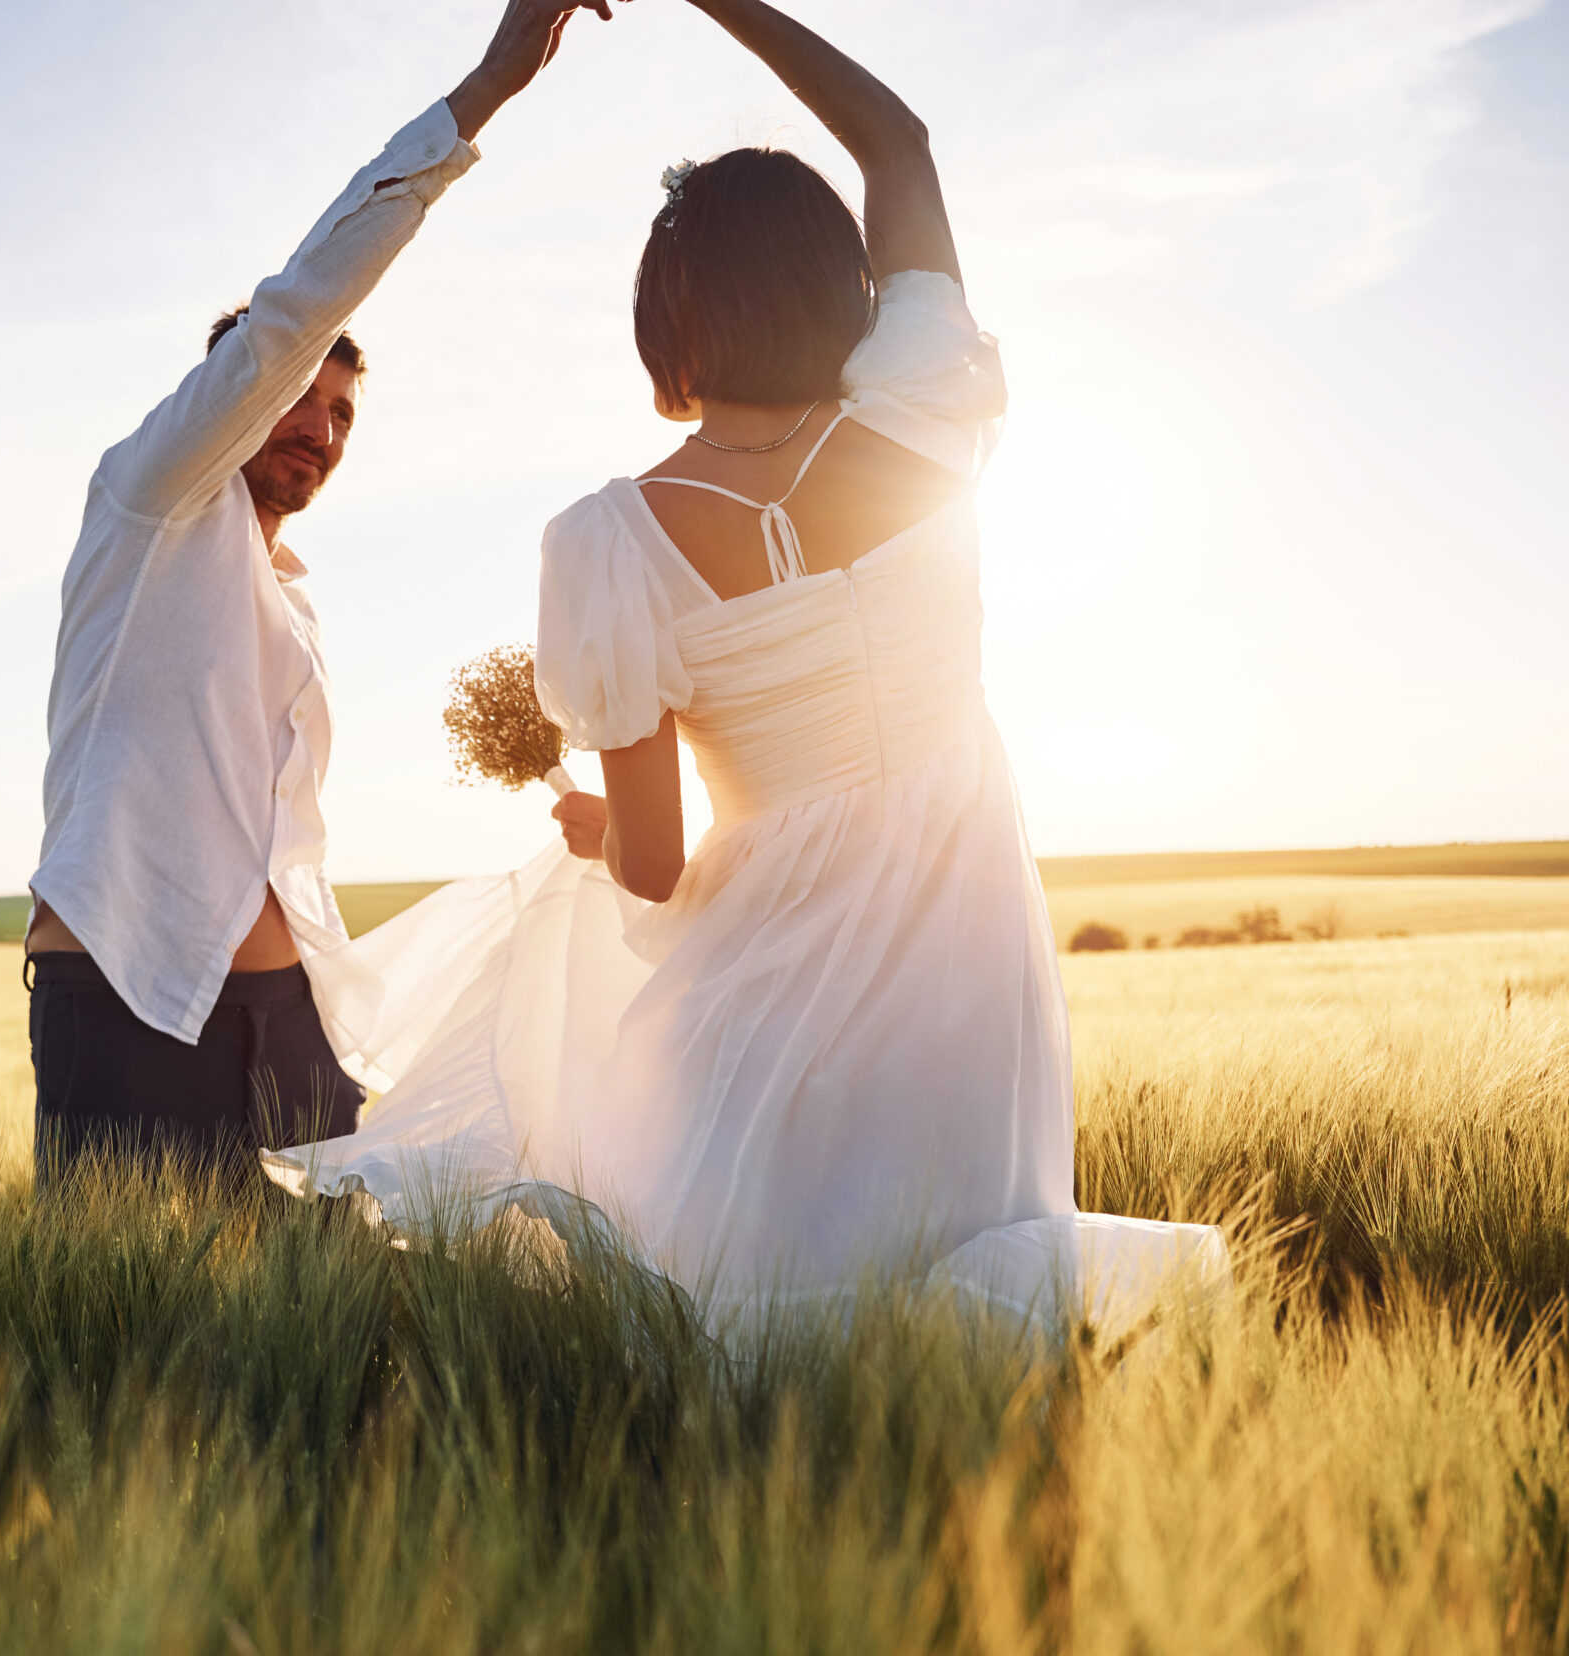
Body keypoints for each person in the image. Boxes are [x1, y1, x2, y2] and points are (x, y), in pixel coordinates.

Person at [271, 0, 1224, 1329]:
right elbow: (897, 144)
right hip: (970, 950)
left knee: (769, 1315)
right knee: (972, 1288)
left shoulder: (607, 542)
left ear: (671, 321)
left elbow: (657, 863)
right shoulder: (927, 418)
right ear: (842, 289)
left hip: (769, 983)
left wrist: (600, 827)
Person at [26, 0, 623, 1181]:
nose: (323, 428)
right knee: (141, 1359)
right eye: (302, 397)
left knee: (333, 1333)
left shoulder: (290, 594)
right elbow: (294, 310)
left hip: (289, 1017)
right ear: (232, 395)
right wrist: (486, 92)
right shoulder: (143, 503)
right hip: (134, 1003)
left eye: (345, 416)